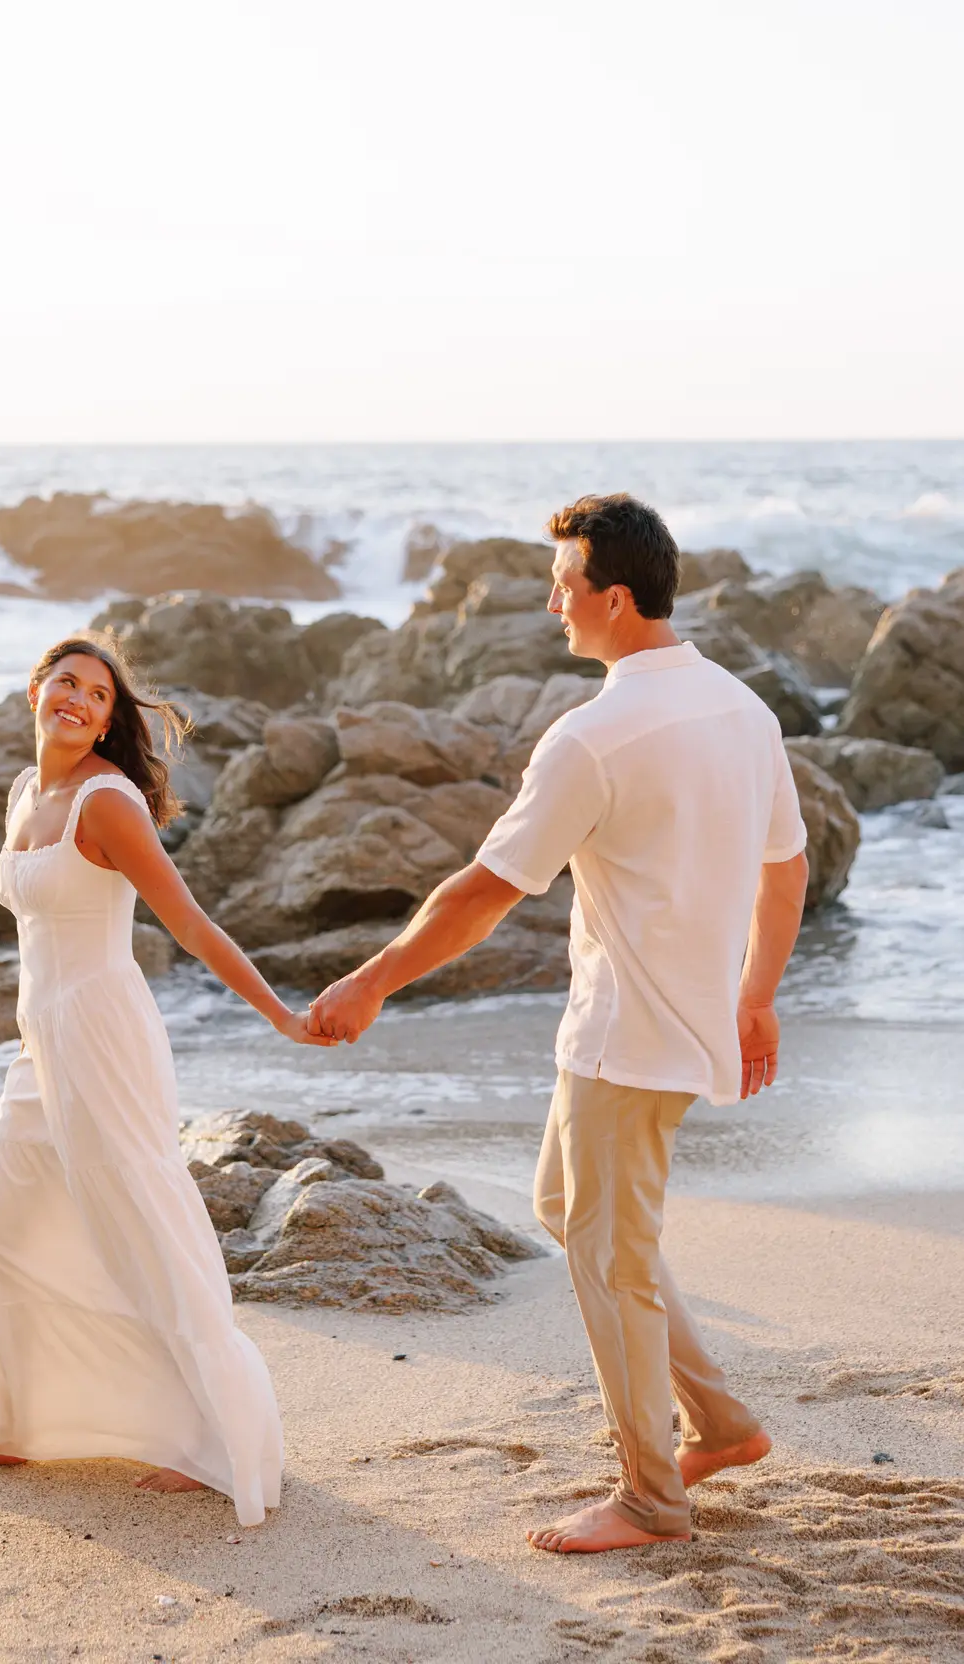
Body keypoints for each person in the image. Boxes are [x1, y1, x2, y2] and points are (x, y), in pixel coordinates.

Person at [309, 494, 809, 1554]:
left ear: (613, 598)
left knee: (609, 1259)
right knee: (565, 1206)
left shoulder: (592, 734)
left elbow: (486, 887)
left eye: (564, 586)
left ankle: (649, 1497)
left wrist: (371, 978)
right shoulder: (740, 708)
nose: (551, 604)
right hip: (680, 1026)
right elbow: (785, 866)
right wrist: (754, 993)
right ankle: (718, 1422)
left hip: (626, 1035)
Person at [0, 633, 333, 1526]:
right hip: (41, 1042)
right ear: (35, 690)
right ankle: (8, 1421)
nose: (78, 700)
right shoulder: (28, 792)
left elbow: (191, 923)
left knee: (145, 1226)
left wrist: (281, 1015)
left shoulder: (107, 802)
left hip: (101, 1036)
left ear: (108, 720)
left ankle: (221, 1438)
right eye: (66, 682)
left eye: (97, 696)